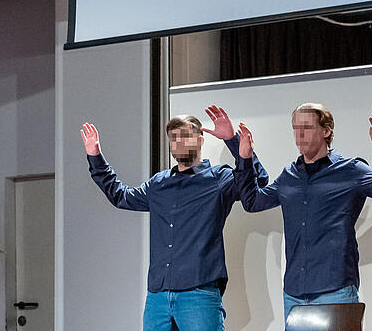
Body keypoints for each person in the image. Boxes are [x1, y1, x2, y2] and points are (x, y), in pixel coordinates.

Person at [80, 106, 267, 331]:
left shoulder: (218, 179)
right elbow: (120, 196)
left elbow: (258, 184)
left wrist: (232, 141)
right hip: (158, 297)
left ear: (200, 140)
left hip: (198, 294)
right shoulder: (159, 184)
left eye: (185, 136)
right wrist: (95, 157)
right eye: (173, 138)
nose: (178, 142)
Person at [228, 103, 372, 322]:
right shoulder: (289, 176)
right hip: (294, 294)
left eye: (306, 127)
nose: (299, 134)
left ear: (326, 131)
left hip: (335, 291)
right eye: (295, 128)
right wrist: (245, 159)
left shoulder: (351, 170)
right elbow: (252, 202)